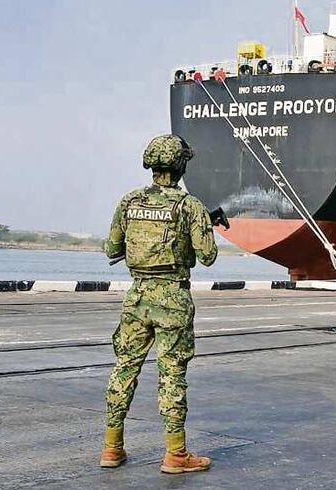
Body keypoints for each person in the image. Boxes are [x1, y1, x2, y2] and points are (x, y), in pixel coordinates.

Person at [101, 134, 218, 474]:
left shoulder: (128, 201)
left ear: (151, 164)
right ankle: (176, 455)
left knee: (124, 367)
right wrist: (205, 227)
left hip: (136, 298)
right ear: (181, 165)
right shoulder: (190, 205)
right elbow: (207, 256)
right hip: (172, 299)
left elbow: (111, 249)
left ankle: (111, 448)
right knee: (172, 375)